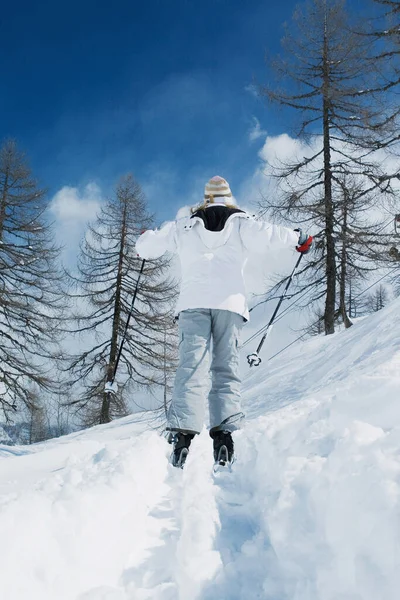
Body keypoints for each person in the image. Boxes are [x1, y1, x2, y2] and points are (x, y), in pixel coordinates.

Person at [136, 176, 312, 468]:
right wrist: (299, 239)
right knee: (226, 369)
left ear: (206, 199)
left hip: (193, 304)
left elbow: (148, 244)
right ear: (228, 198)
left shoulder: (184, 226)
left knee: (191, 367)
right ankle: (224, 436)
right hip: (230, 306)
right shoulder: (244, 222)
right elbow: (272, 235)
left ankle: (182, 436)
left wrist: (144, 241)